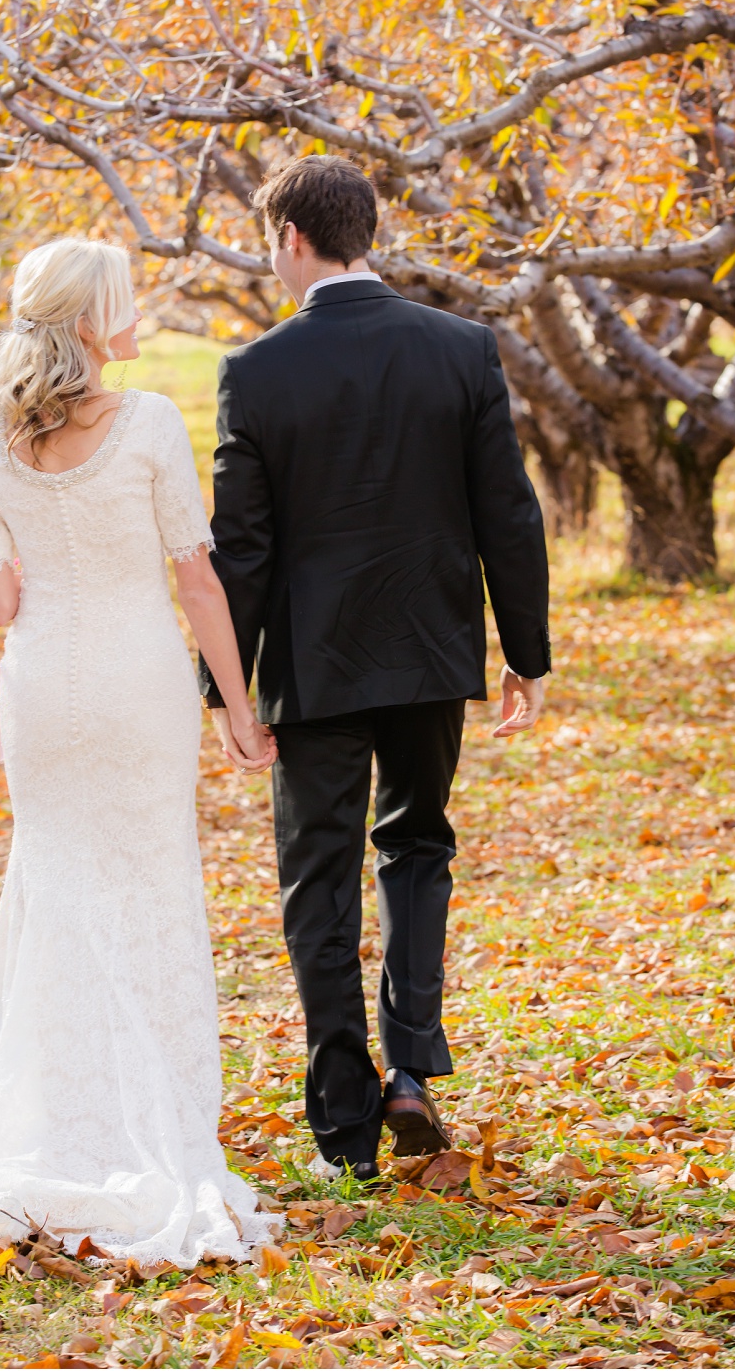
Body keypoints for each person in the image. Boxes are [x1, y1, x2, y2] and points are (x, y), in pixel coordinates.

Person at [0, 238, 279, 1268]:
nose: (136, 309)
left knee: (56, 883)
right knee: (149, 883)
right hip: (137, 683)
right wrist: (236, 710)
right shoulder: (151, 421)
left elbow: (1, 604)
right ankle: (147, 1127)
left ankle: (52, 1118)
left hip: (42, 690)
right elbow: (198, 582)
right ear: (86, 319)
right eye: (120, 298)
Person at [199, 155, 550, 1181]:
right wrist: (522, 651)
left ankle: (343, 1120)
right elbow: (509, 513)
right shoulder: (460, 348)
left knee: (319, 877)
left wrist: (225, 686)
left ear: (292, 241)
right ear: (367, 232)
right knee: (417, 847)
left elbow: (244, 549)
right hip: (434, 651)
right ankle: (411, 1070)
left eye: (271, 243)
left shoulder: (255, 371)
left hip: (314, 667)